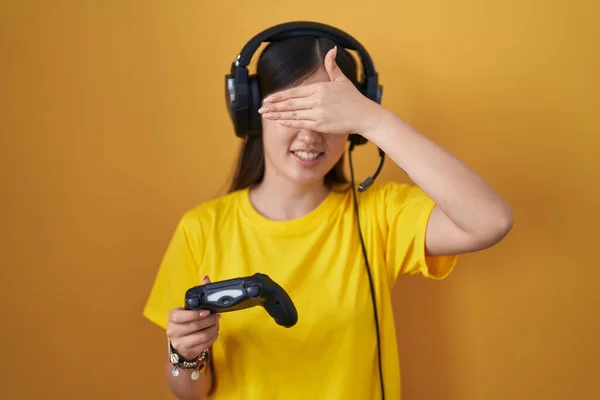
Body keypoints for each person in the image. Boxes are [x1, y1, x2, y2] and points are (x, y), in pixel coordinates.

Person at [142, 30, 513, 400]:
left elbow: (490, 221)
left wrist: (376, 122)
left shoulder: (379, 215)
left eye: (328, 116)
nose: (310, 136)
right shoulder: (202, 228)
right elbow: (189, 394)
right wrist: (187, 354)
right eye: (293, 111)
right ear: (251, 111)